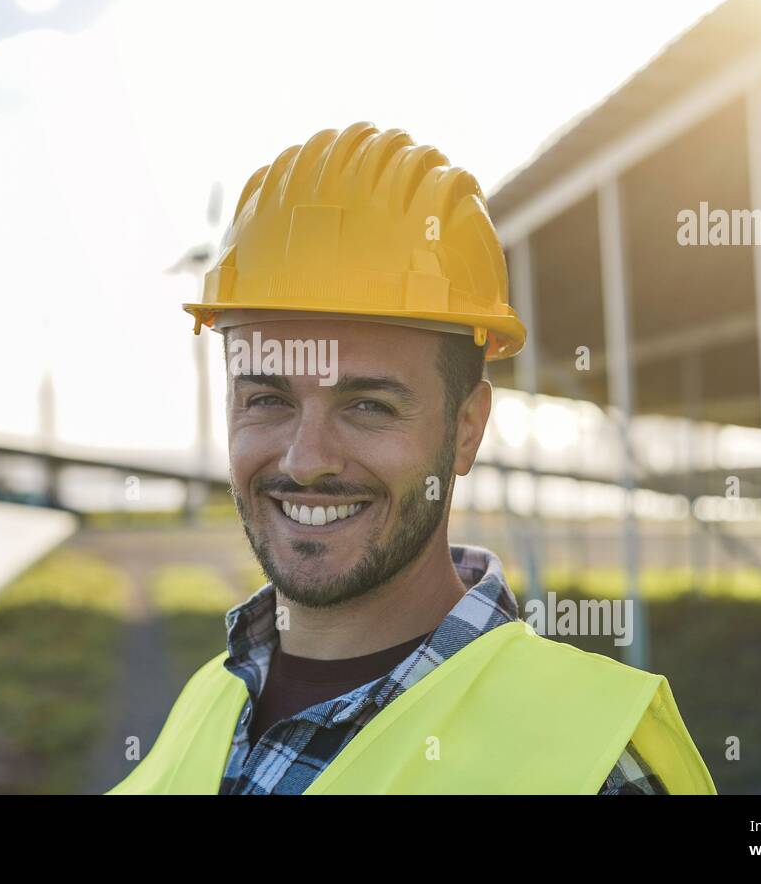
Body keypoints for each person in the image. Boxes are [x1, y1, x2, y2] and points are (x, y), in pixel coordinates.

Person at [108, 122, 715, 795]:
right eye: (268, 400)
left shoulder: (594, 769)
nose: (305, 461)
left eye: (368, 406)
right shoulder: (209, 699)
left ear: (467, 429)